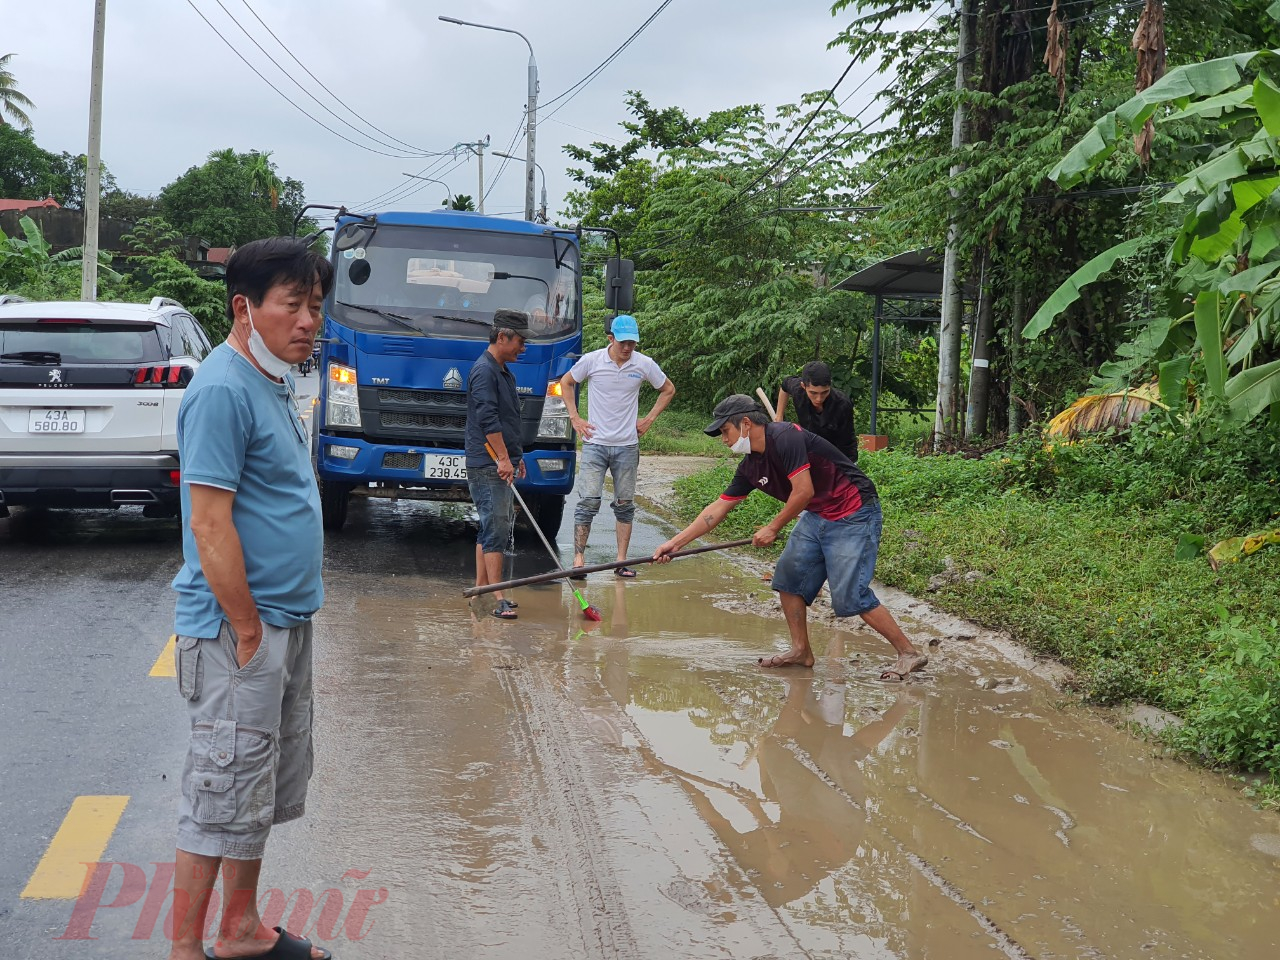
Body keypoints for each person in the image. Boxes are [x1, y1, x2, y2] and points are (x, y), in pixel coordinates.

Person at [168, 238, 334, 960]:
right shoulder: (222, 388)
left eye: (315, 307)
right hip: (243, 632)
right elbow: (209, 522)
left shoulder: (272, 380)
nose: (308, 322)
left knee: (254, 788)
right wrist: (245, 628)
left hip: (281, 622)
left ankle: (240, 930)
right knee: (219, 790)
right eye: (292, 305)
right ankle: (183, 948)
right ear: (245, 308)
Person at [653, 394, 927, 680]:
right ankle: (801, 651)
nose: (723, 439)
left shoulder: (785, 437)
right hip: (817, 515)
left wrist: (773, 527)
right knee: (788, 579)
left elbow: (803, 491)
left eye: (725, 431)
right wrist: (675, 543)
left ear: (745, 423)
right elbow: (718, 508)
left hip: (853, 512)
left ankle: (908, 652)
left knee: (850, 596)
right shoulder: (750, 466)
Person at [559, 314, 676, 577]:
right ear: (610, 338)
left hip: (626, 446)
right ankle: (579, 560)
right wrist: (575, 418)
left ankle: (620, 561)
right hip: (595, 444)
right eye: (623, 342)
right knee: (588, 501)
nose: (627, 348)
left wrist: (649, 419)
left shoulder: (643, 364)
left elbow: (668, 389)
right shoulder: (592, 360)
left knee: (624, 504)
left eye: (632, 343)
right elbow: (566, 382)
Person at [466, 309, 529, 620]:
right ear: (503, 337)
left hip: (500, 460)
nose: (523, 347)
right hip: (487, 462)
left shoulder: (502, 370)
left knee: (490, 526)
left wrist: (516, 456)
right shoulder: (484, 371)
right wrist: (503, 458)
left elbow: (508, 418)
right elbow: (487, 419)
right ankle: (497, 595)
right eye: (520, 341)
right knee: (497, 528)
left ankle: (480, 589)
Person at [775, 360, 856, 459]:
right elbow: (784, 385)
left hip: (834, 454)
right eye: (813, 393)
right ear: (803, 386)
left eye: (824, 392)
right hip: (809, 450)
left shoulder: (842, 404)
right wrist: (779, 416)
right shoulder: (797, 390)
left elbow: (847, 443)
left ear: (830, 385)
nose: (819, 399)